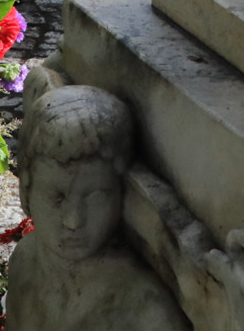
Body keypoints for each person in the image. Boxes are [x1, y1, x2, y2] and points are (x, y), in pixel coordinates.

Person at [10, 84, 188, 331]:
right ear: (26, 189)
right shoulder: (25, 261)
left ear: (121, 195)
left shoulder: (146, 311)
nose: (73, 220)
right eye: (57, 197)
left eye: (95, 197)